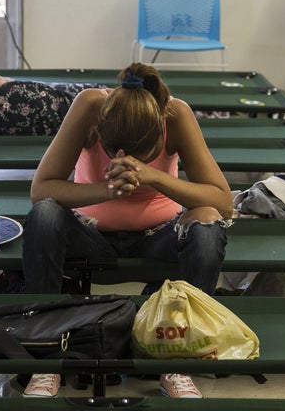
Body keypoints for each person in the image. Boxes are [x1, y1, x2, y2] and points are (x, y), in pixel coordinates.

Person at [19, 62, 233, 398]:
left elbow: (223, 200)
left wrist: (155, 177)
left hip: (158, 236)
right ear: (101, 130)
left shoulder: (175, 114)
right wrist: (107, 190)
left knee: (207, 220)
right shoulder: (90, 106)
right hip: (92, 235)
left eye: (137, 156)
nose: (123, 158)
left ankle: (175, 358)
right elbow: (41, 189)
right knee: (43, 213)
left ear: (159, 133)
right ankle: (46, 357)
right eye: (114, 152)